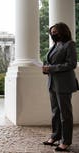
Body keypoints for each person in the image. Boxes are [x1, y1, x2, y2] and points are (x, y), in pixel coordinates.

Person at [42, 22, 78, 151]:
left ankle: (66, 141)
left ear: (63, 31)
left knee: (65, 114)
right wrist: (46, 68)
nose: (53, 33)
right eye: (51, 32)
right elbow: (50, 61)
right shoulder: (55, 45)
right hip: (52, 83)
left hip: (64, 84)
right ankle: (55, 136)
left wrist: (51, 68)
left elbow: (71, 64)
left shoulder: (70, 44)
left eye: (55, 31)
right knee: (55, 112)